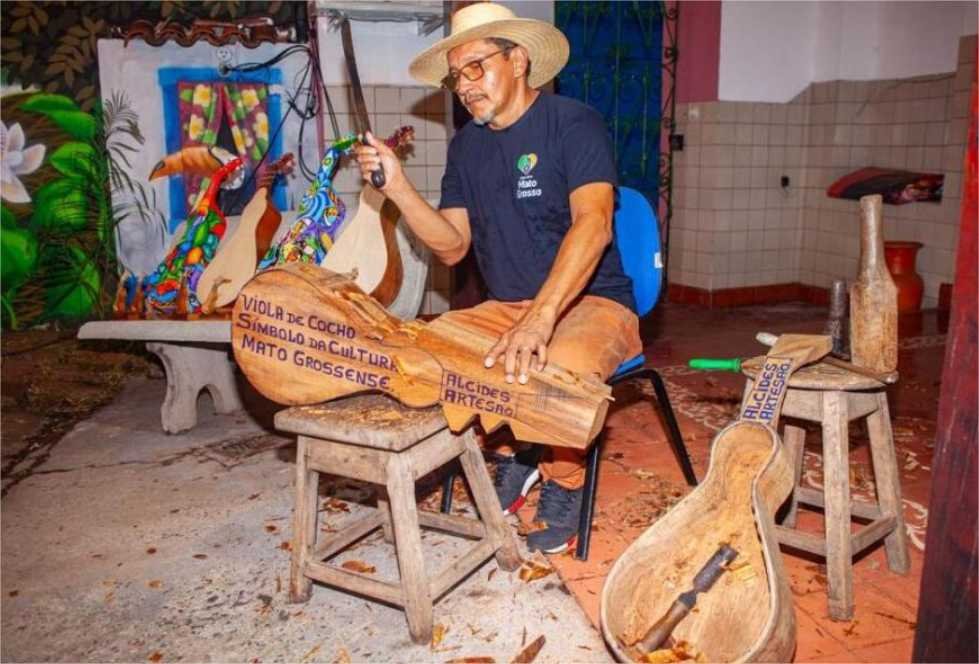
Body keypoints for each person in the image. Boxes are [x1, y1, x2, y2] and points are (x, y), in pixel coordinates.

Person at [354, 2, 641, 554]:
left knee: (558, 368)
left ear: (520, 61)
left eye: (475, 68)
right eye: (456, 76)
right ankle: (517, 450)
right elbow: (453, 243)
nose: (464, 86)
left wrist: (541, 318)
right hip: (509, 304)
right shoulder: (467, 146)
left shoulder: (572, 123)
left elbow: (595, 223)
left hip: (593, 303)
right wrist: (398, 188)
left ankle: (564, 484)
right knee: (429, 352)